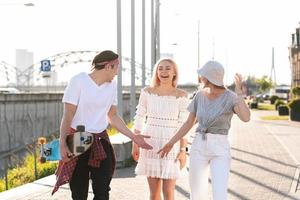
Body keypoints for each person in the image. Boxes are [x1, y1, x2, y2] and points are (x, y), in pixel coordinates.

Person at [52, 50, 152, 200]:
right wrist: (62, 144)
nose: (117, 72)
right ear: (108, 66)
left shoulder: (112, 86)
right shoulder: (78, 81)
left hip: (100, 139)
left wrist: (133, 136)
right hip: (78, 138)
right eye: (116, 67)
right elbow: (68, 115)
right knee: (79, 193)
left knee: (103, 191)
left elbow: (112, 116)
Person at [158, 60, 250, 200]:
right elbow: (189, 123)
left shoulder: (231, 97)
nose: (200, 77)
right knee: (197, 194)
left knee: (219, 194)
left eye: (202, 74)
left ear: (209, 76)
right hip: (198, 147)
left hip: (220, 149)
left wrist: (239, 93)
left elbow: (246, 117)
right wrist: (171, 142)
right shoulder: (200, 96)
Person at [132, 58, 189, 200]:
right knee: (154, 193)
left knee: (169, 192)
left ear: (174, 73)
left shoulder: (182, 95)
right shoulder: (147, 92)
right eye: (160, 68)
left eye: (168, 68)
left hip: (172, 143)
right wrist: (135, 144)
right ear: (156, 72)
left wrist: (183, 151)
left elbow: (184, 126)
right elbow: (139, 119)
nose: (163, 71)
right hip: (150, 142)